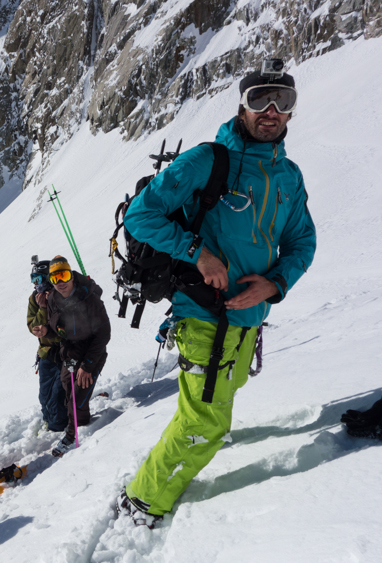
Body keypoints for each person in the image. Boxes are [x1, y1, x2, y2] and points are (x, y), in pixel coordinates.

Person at [118, 59, 317, 527]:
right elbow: (141, 216)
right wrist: (199, 253)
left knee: (223, 394)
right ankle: (143, 500)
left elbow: (301, 242)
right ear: (242, 106)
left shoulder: (288, 177)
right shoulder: (209, 161)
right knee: (204, 421)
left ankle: (175, 463)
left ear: (292, 111)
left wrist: (275, 283)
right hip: (203, 314)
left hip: (249, 319)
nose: (271, 110)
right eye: (259, 99)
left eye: (282, 100)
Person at [33, 256, 111, 457]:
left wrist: (87, 365)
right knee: (68, 392)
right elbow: (59, 330)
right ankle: (82, 423)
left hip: (92, 352)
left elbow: (104, 334)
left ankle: (72, 435)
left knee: (77, 394)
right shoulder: (53, 299)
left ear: (72, 276)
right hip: (71, 353)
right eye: (55, 278)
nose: (61, 282)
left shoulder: (89, 299)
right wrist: (46, 331)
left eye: (64, 276)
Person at [27, 256, 68, 432]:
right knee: (44, 394)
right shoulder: (34, 299)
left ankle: (59, 425)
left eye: (39, 279)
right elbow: (33, 327)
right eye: (33, 279)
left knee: (58, 392)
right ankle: (48, 421)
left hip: (65, 351)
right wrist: (42, 308)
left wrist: (48, 305)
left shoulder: (61, 294)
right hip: (46, 352)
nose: (36, 284)